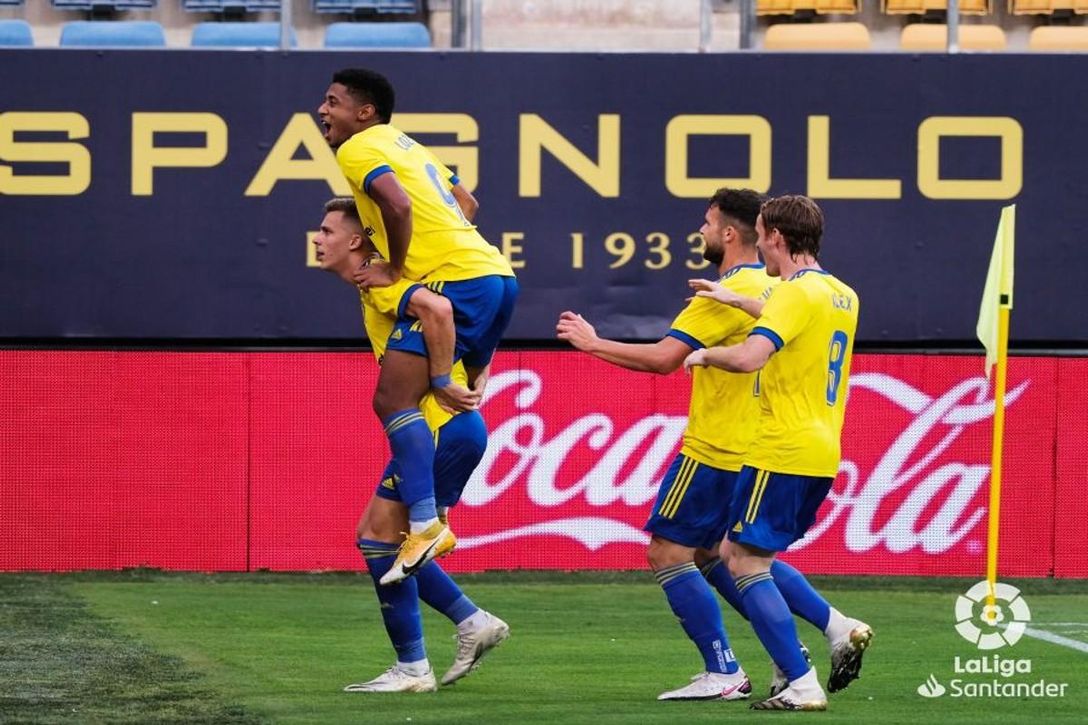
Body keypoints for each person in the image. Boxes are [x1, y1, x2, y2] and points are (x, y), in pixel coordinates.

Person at [557, 188, 774, 701]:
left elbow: (663, 358)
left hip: (714, 449)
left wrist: (592, 343)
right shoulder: (773, 287)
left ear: (729, 233)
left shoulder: (723, 293)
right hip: (757, 445)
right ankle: (793, 652)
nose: (700, 231)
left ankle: (724, 670)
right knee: (717, 554)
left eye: (707, 223)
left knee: (667, 551)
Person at [318, 68, 518, 584]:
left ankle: (427, 523)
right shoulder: (410, 146)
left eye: (333, 102)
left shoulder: (358, 148)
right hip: (495, 273)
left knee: (392, 400)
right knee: (442, 393)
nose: (323, 110)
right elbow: (468, 204)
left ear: (364, 113)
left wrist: (397, 265)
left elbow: (399, 203)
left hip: (458, 280)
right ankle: (436, 525)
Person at [314, 198, 509, 693]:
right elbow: (466, 319)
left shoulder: (383, 282)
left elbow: (438, 308)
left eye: (327, 231)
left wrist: (445, 381)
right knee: (380, 539)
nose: (317, 239)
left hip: (437, 429)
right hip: (454, 429)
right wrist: (478, 373)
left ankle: (418, 664)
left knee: (382, 538)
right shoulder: (385, 282)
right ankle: (465, 625)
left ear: (356, 241)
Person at [684, 195, 870, 712]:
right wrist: (737, 300)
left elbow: (750, 357)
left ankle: (801, 681)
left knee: (744, 563)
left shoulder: (792, 291)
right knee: (737, 552)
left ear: (777, 238)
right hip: (821, 448)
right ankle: (836, 629)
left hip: (779, 447)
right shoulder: (841, 293)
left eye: (763, 234)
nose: (760, 245)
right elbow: (793, 317)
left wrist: (705, 353)